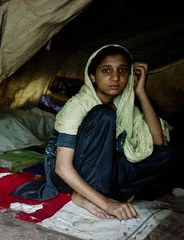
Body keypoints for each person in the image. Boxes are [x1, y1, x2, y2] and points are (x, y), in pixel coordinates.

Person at [13, 45, 173, 220]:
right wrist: (107, 204)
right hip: (67, 174)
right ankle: (83, 195)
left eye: (123, 70)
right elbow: (61, 168)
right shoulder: (79, 105)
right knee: (103, 115)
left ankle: (95, 192)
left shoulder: (124, 104)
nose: (115, 77)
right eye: (106, 70)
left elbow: (158, 142)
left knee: (164, 154)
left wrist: (140, 92)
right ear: (93, 77)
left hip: (102, 171)